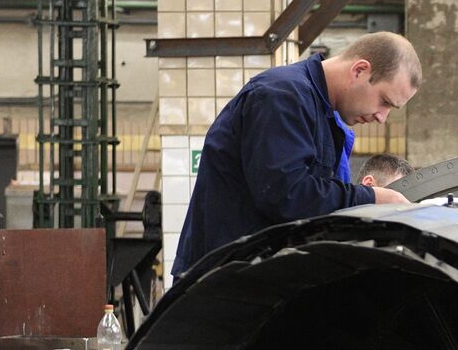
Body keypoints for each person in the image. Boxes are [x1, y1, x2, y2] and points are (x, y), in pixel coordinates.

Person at [173, 31, 422, 277]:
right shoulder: (281, 96)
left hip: (257, 277)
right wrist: (371, 198)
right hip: (221, 285)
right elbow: (287, 196)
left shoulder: (323, 113)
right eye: (385, 102)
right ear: (359, 70)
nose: (382, 117)